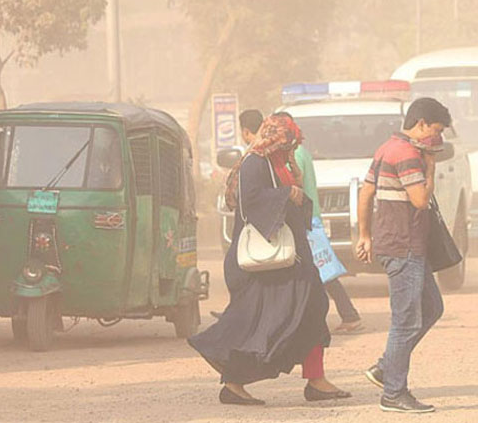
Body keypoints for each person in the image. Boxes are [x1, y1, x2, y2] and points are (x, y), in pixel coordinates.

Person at [189, 114, 350, 406]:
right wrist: (288, 192)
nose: (291, 149)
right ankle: (230, 375)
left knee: (313, 309)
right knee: (258, 323)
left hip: (292, 261)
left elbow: (293, 202)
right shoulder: (255, 162)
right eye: (288, 144)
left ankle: (316, 380)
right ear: (274, 139)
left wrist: (295, 182)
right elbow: (251, 201)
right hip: (266, 266)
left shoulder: (279, 164)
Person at [355, 97, 450, 413]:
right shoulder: (410, 155)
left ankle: (386, 367)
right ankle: (394, 392)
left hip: (399, 244)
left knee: (432, 307)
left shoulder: (386, 148)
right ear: (421, 124)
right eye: (434, 130)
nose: (435, 138)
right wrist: (431, 166)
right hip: (404, 246)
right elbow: (421, 199)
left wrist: (365, 234)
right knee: (406, 321)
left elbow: (366, 193)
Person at [277, 111, 363, 333]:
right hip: (311, 216)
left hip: (306, 219)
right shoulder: (303, 151)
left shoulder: (293, 154)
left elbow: (295, 182)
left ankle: (349, 314)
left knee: (322, 271)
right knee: (318, 270)